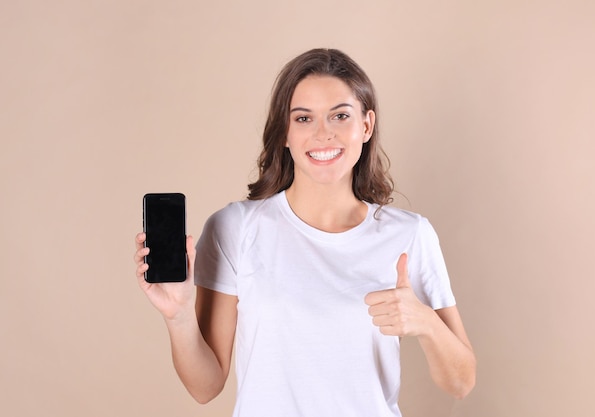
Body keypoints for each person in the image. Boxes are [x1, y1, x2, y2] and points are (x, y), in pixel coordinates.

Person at [134, 48, 476, 416]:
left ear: (366, 125)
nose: (323, 134)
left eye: (340, 116)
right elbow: (205, 387)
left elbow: (460, 382)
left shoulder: (410, 235)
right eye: (303, 118)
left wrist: (425, 322)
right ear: (284, 131)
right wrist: (179, 316)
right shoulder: (235, 228)